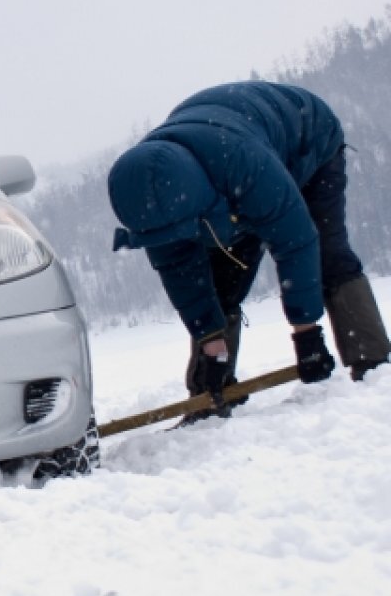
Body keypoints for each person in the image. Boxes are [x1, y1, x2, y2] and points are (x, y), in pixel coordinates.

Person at [108, 80, 390, 421]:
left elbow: (296, 241)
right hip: (230, 162)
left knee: (327, 256)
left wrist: (307, 333)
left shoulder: (244, 164)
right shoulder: (153, 204)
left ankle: (372, 361)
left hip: (307, 144)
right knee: (221, 283)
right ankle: (211, 391)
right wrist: (211, 342)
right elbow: (184, 278)